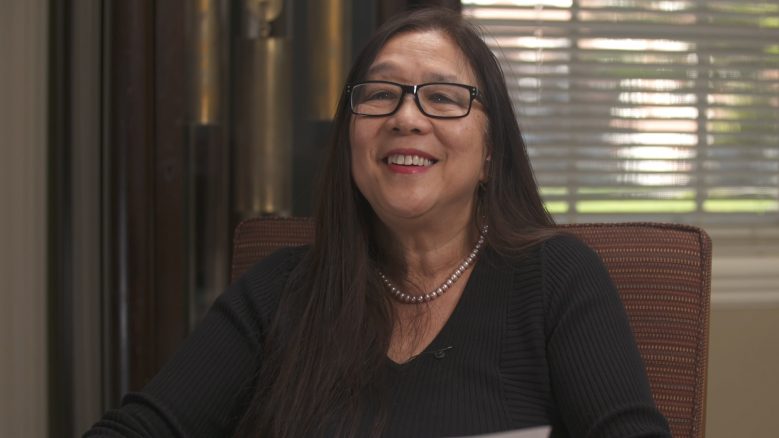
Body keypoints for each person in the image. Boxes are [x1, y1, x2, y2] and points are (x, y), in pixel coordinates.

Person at [86, 7, 671, 438]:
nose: (406, 117)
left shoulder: (556, 279)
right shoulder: (278, 291)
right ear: (350, 139)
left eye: (442, 98)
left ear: (491, 151)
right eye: (381, 94)